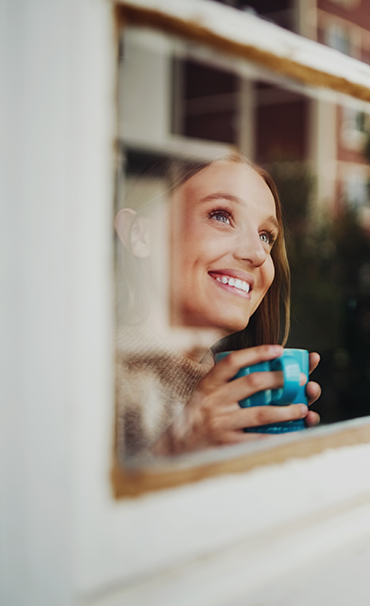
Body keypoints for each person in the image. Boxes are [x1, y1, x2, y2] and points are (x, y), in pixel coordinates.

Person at [113, 153, 321, 461]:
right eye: (221, 215)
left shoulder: (238, 393)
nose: (258, 254)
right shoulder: (88, 378)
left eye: (266, 236)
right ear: (141, 235)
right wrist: (175, 449)